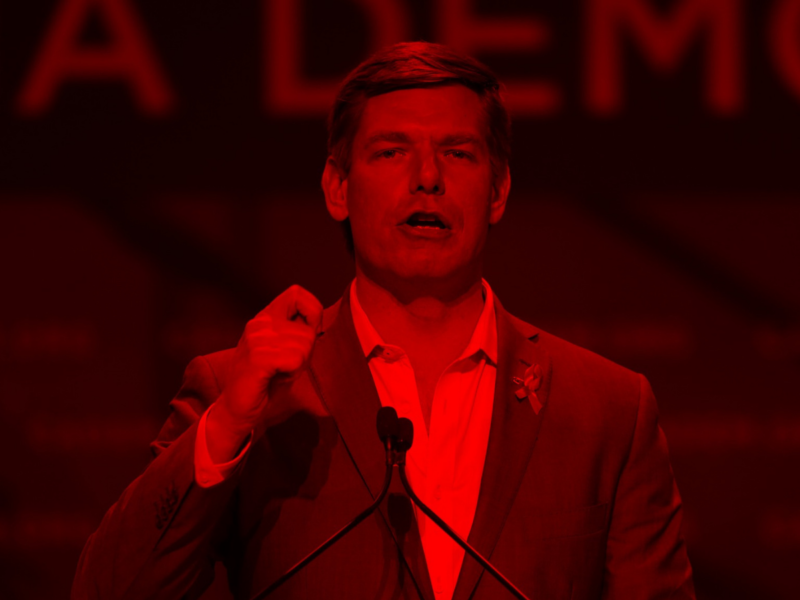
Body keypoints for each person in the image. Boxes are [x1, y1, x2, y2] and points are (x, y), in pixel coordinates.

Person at [72, 41, 695, 600]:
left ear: (499, 192)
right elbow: (109, 590)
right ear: (337, 188)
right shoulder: (242, 394)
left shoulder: (607, 411)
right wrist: (229, 425)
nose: (427, 179)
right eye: (392, 152)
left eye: (457, 153)